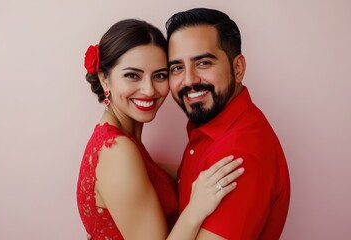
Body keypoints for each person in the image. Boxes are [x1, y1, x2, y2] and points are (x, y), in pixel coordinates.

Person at [76, 19, 245, 240]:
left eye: (159, 76)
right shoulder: (117, 151)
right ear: (104, 79)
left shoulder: (123, 143)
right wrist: (196, 210)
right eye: (132, 75)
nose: (149, 90)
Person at [166, 8, 291, 240]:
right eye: (177, 68)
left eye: (203, 63)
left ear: (238, 68)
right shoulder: (216, 125)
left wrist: (192, 215)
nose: (189, 80)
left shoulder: (239, 154)